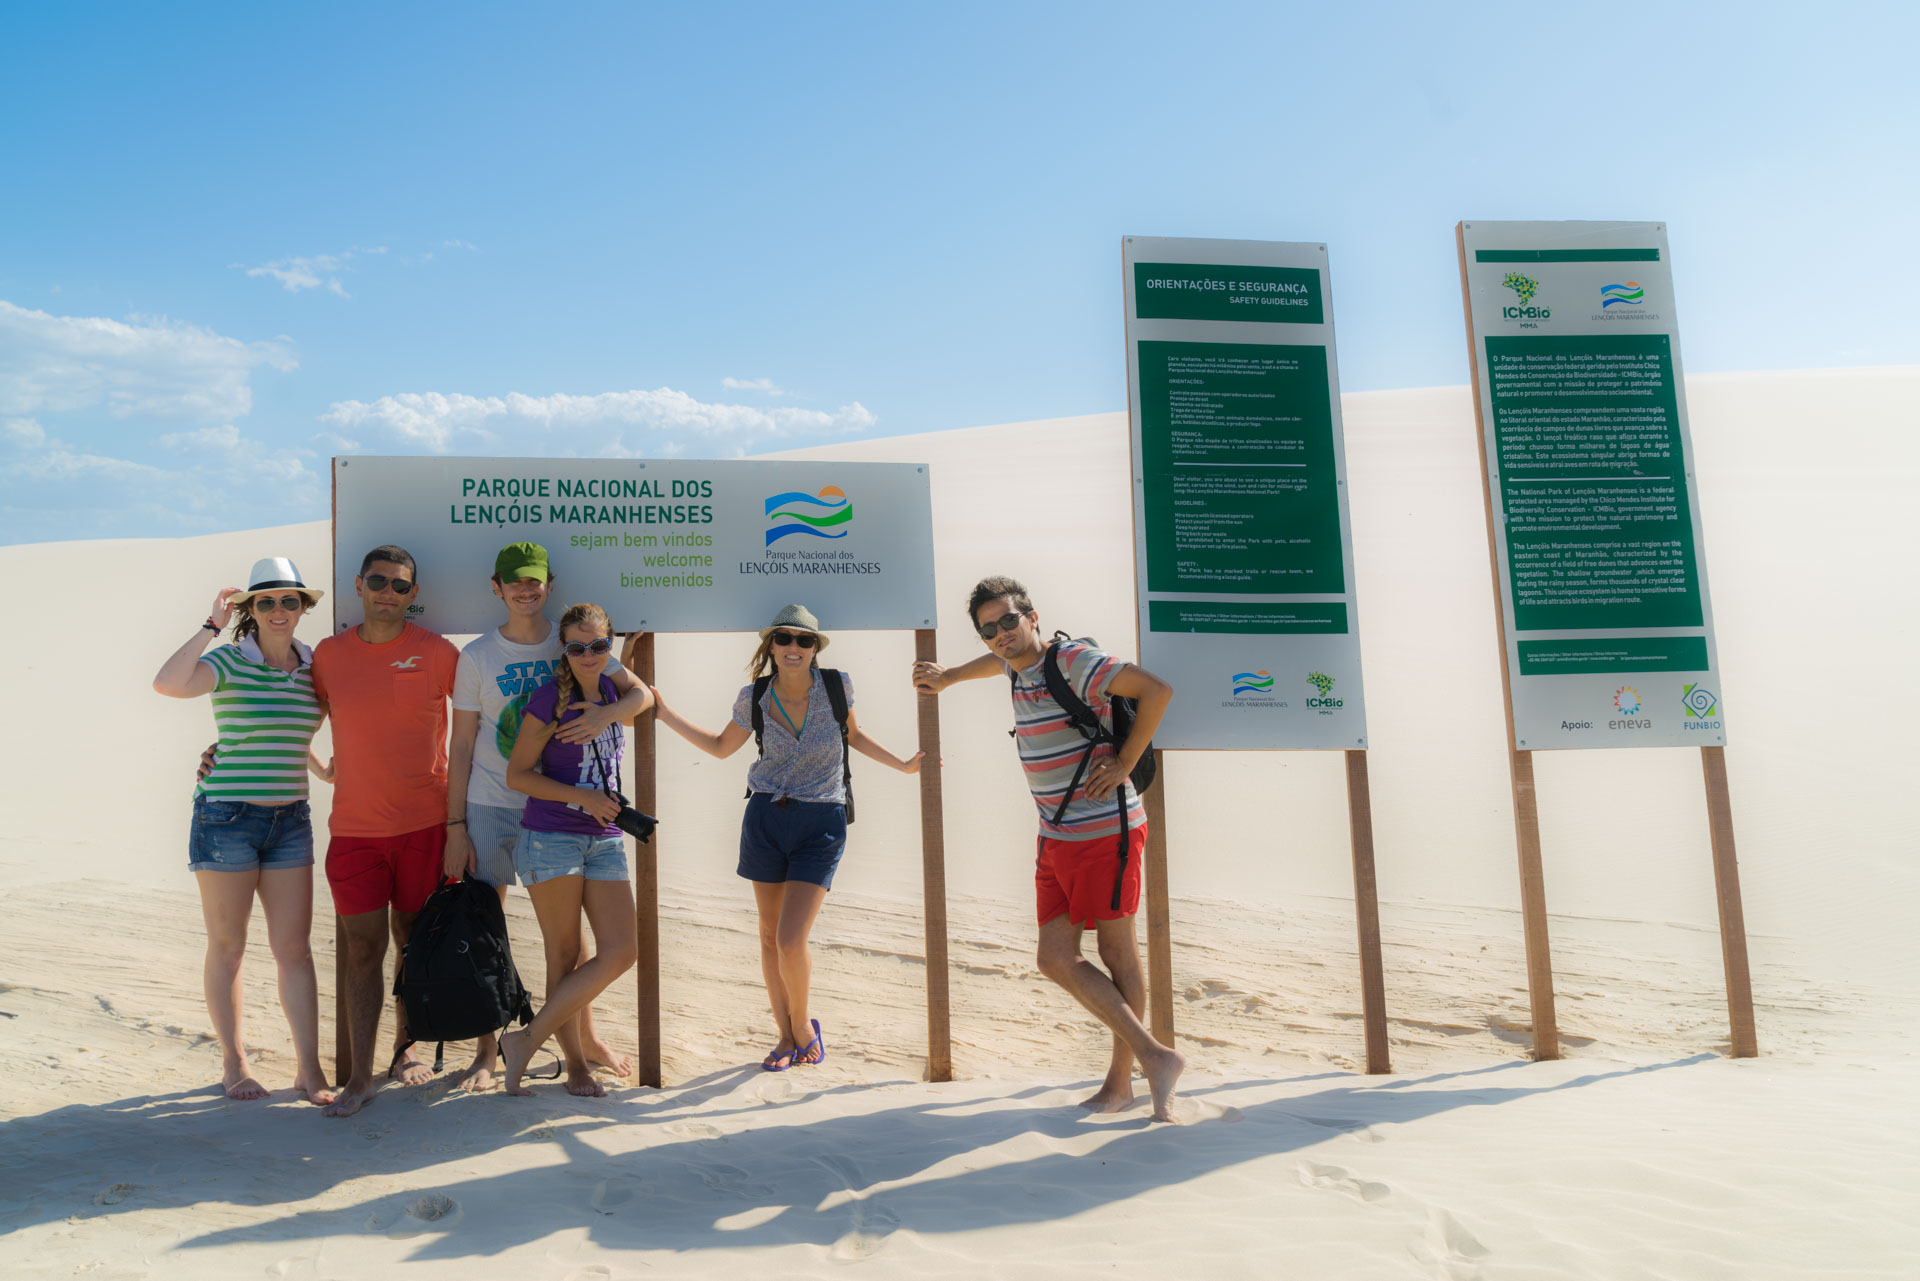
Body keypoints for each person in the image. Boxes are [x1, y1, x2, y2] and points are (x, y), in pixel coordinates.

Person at [912, 575, 1185, 1122]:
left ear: (1032, 617)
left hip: (1105, 831)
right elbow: (998, 663)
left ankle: (1126, 1079)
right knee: (1054, 957)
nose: (1001, 635)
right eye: (988, 629)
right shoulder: (1015, 662)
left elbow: (1157, 690)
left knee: (1116, 952)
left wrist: (1126, 763)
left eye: (1009, 621)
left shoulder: (1074, 662)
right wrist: (949, 678)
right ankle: (1151, 1060)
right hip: (1056, 834)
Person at [651, 605, 924, 1072]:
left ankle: (802, 1028)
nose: (793, 647)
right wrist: (662, 712)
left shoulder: (836, 687)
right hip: (765, 817)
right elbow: (720, 748)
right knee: (767, 937)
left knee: (791, 939)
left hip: (822, 821)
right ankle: (783, 1036)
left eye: (804, 640)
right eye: (784, 638)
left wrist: (902, 765)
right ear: (770, 646)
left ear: (815, 649)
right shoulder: (754, 696)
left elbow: (852, 737)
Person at [444, 542, 650, 1091]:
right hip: (500, 806)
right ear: (498, 588)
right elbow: (462, 744)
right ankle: (494, 1052)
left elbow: (643, 696)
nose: (525, 590)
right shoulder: (481, 657)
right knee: (491, 931)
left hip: (587, 828)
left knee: (588, 950)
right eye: (514, 581)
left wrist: (608, 711)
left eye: (534, 581)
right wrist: (455, 824)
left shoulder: (596, 660)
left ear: (549, 585)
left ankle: (569, 1042)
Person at [152, 557, 336, 1105]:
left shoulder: (313, 669)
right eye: (266, 601)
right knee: (229, 945)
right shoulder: (230, 661)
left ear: (304, 607)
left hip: (291, 820)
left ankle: (309, 1070)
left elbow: (285, 732)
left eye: (290, 601)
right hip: (226, 816)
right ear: (249, 610)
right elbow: (168, 684)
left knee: (294, 950)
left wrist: (323, 770)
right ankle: (234, 1062)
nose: (279, 611)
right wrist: (210, 626)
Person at [309, 545, 462, 1118]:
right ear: (358, 585)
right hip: (353, 830)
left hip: (424, 824)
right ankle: (359, 1077)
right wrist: (314, 764)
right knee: (362, 949)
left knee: (413, 940)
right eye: (379, 582)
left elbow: (477, 718)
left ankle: (405, 1050)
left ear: (413, 594)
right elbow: (292, 714)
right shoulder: (328, 655)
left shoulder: (437, 652)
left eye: (401, 586)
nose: (389, 594)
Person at [497, 602, 651, 1096]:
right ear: (563, 650)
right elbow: (517, 774)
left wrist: (609, 712)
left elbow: (646, 696)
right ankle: (575, 1064)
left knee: (621, 951)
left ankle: (526, 1041)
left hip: (603, 841)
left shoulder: (611, 688)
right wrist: (582, 796)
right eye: (577, 647)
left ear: (609, 647)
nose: (589, 655)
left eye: (600, 646)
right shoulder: (548, 700)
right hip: (551, 838)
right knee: (564, 955)